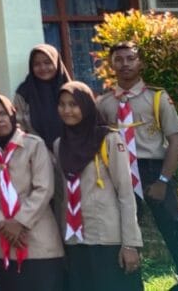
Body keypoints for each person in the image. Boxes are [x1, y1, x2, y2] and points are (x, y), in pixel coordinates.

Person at [95, 41, 178, 272]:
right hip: (118, 172)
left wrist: (163, 180)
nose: (125, 64)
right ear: (111, 65)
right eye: (118, 59)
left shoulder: (157, 98)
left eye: (130, 58)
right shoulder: (104, 103)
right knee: (122, 236)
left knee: (177, 234)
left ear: (140, 63)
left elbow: (176, 141)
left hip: (153, 171)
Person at [55, 81, 142, 291]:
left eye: (73, 104)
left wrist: (130, 244)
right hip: (75, 240)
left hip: (107, 238)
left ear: (86, 106)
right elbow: (60, 196)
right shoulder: (59, 145)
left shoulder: (108, 139)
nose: (67, 110)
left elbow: (125, 193)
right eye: (62, 104)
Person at [0, 94, 64, 290]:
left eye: (3, 113)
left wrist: (20, 222)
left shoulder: (34, 145)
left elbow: (44, 188)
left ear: (12, 115)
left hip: (38, 237)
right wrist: (2, 224)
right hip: (3, 239)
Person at [13, 44, 71, 149]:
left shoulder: (70, 91)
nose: (43, 68)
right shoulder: (23, 93)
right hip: (36, 151)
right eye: (37, 64)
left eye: (47, 63)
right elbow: (19, 126)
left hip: (72, 149)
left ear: (56, 62)